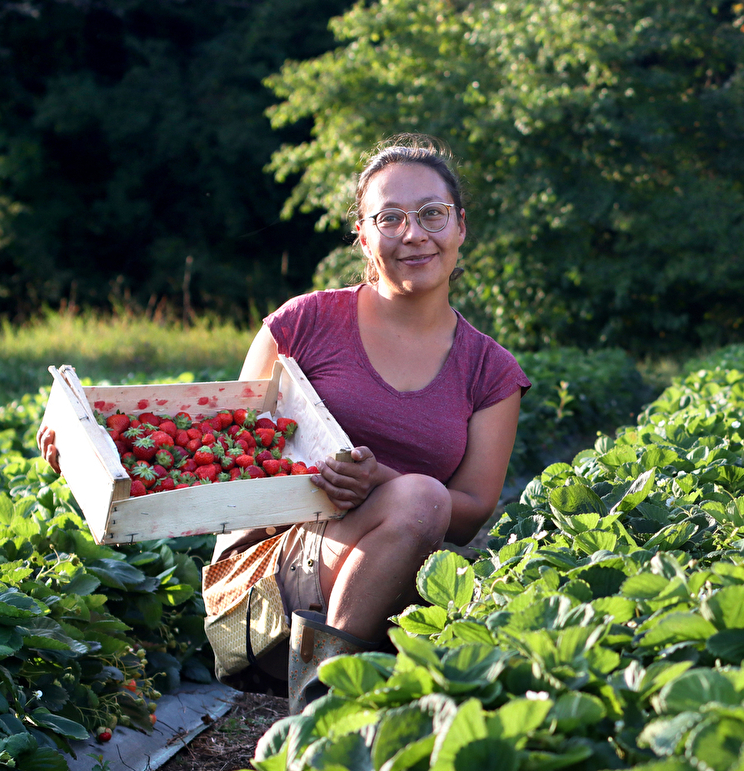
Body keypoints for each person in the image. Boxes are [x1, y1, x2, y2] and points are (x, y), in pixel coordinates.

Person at [38, 134, 529, 704]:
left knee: (422, 501)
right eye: (389, 217)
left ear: (460, 226)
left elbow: (467, 515)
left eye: (432, 214)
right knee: (422, 498)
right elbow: (223, 443)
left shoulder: (490, 370)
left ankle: (328, 687)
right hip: (268, 583)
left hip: (408, 582)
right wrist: (87, 455)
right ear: (363, 235)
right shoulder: (304, 325)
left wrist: (380, 482)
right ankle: (320, 702)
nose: (413, 234)